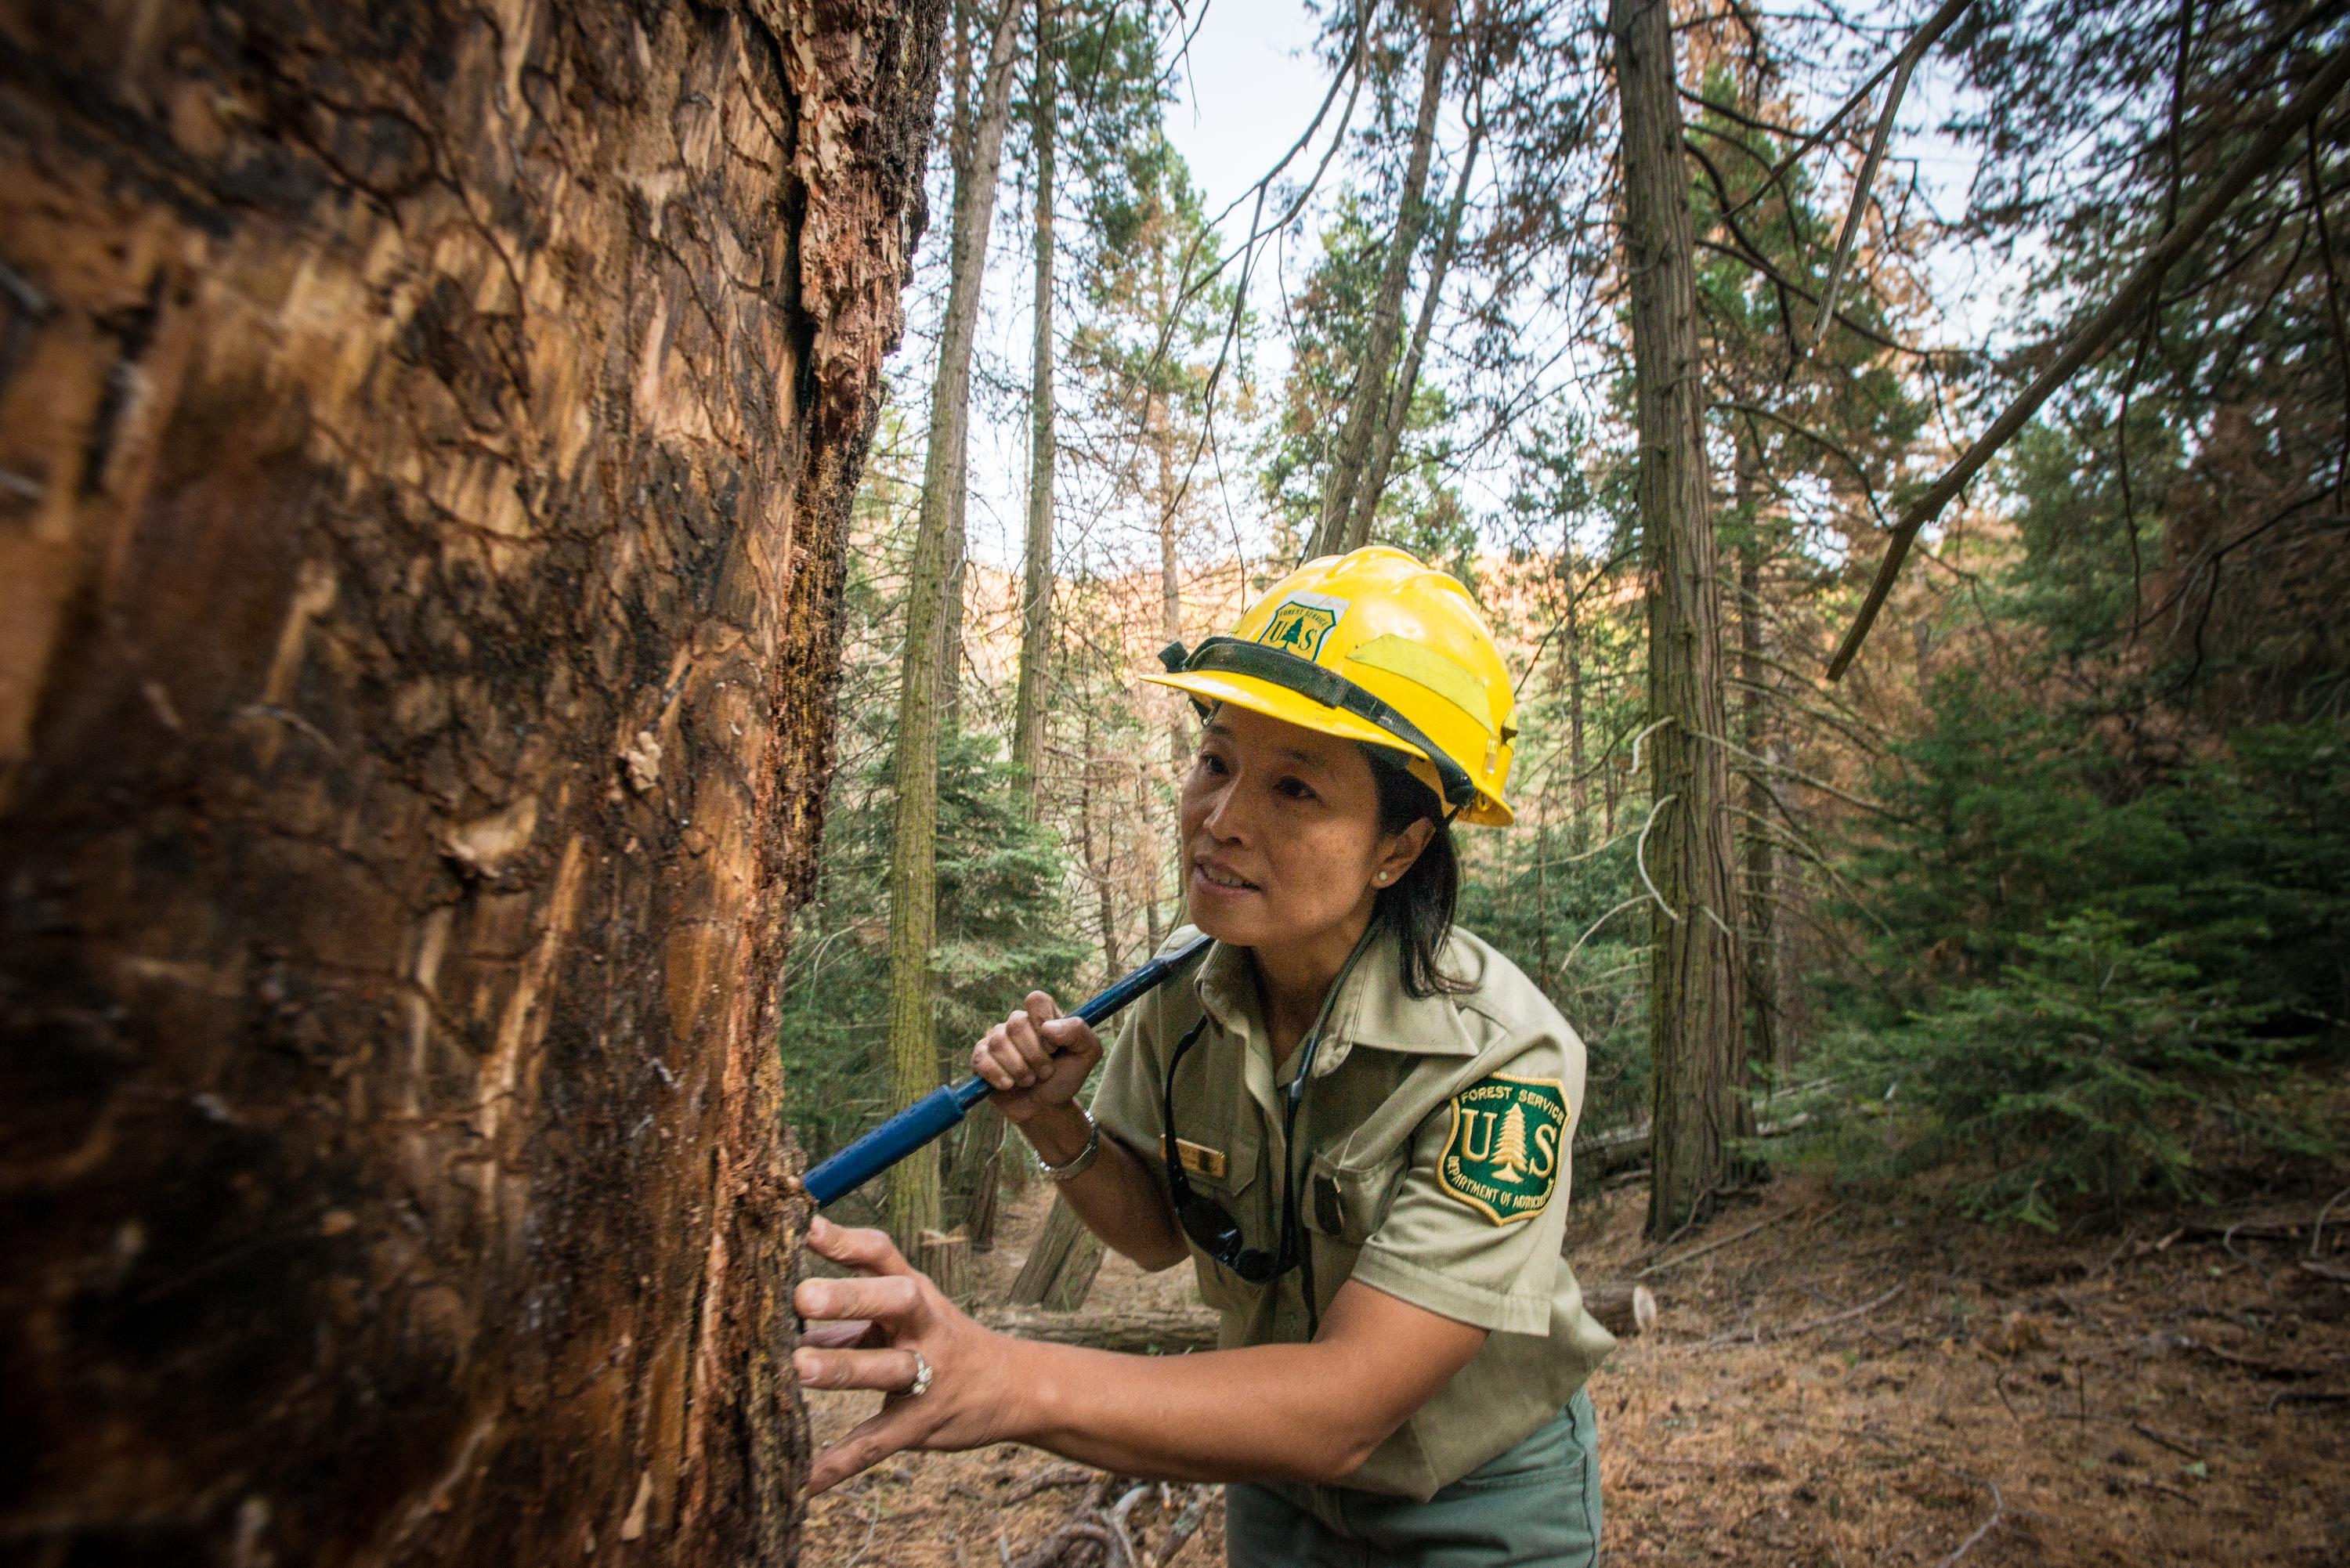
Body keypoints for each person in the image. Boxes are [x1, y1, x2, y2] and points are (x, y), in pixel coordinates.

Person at [794, 547, 1615, 1565]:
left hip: (1474, 1499)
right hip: (1271, 1479)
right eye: (1217, 761)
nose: (1221, 821)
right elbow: (1153, 1236)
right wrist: (1059, 1122)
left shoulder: (1501, 1060)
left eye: (1296, 789)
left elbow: (1351, 1404)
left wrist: (1000, 1373)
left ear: (1399, 847)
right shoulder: (1186, 986)